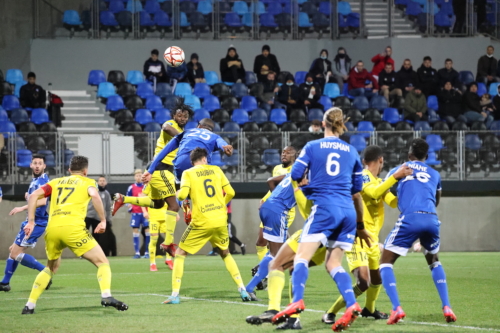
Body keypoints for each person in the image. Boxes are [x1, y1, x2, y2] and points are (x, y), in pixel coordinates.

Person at [272, 107, 372, 331]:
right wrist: (360, 226)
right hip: (347, 212)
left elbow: (296, 175)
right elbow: (356, 192)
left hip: (325, 208)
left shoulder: (312, 146)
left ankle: (297, 301)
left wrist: (306, 188)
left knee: (301, 258)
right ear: (340, 124)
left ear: (323, 124)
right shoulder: (351, 150)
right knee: (333, 263)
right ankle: (351, 304)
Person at [21, 155, 128, 314]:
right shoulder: (88, 182)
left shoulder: (55, 182)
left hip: (52, 230)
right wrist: (103, 220)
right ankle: (106, 295)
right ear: (85, 171)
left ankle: (29, 305)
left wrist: (31, 221)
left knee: (51, 267)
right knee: (102, 262)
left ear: (69, 170)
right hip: (73, 229)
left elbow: (34, 196)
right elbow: (95, 195)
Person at [323, 146, 412, 324]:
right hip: (356, 235)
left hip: (372, 238)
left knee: (377, 279)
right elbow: (373, 193)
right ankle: (330, 312)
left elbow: (392, 202)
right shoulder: (362, 176)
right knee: (363, 281)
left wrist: (409, 190)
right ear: (381, 160)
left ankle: (369, 309)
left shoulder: (380, 181)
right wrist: (395, 177)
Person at [380, 138, 457, 325]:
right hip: (431, 217)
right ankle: (447, 306)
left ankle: (396, 307)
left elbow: (383, 188)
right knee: (434, 260)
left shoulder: (400, 168)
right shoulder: (435, 174)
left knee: (385, 261)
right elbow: (436, 199)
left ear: (409, 155)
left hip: (410, 218)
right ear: (427, 156)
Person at [162, 148, 250, 304]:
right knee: (225, 253)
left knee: (180, 253)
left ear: (192, 161)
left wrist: (179, 193)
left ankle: (175, 294)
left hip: (202, 220)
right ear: (204, 159)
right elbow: (231, 192)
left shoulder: (188, 173)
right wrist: (221, 204)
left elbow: (182, 196)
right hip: (220, 219)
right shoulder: (216, 170)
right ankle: (242, 289)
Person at [112, 99, 192, 256]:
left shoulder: (184, 132)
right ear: (174, 116)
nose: (182, 118)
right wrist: (184, 137)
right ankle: (169, 242)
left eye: (185, 116)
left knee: (157, 203)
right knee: (173, 206)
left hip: (158, 170)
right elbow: (165, 127)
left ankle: (123, 199)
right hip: (161, 169)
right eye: (180, 115)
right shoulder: (171, 125)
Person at [244, 147, 298, 301]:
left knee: (277, 252)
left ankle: (254, 282)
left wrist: (275, 199)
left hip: (269, 207)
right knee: (280, 256)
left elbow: (271, 181)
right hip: (278, 212)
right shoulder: (307, 174)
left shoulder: (294, 172)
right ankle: (263, 287)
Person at [0, 154, 49, 292]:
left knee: (15, 253)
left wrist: (22, 207)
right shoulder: (35, 181)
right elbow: (34, 198)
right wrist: (28, 197)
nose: (38, 165)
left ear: (44, 166)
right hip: (30, 221)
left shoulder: (43, 182)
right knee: (12, 251)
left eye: (40, 163)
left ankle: (45, 273)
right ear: (31, 165)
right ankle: (4, 283)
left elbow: (43, 201)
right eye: (35, 163)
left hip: (37, 222)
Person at [142, 118, 233, 187]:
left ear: (199, 126)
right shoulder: (215, 136)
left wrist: (150, 171)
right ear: (211, 130)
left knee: (180, 186)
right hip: (200, 165)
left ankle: (183, 199)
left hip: (181, 163)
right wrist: (226, 148)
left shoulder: (186, 132)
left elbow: (164, 151)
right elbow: (224, 145)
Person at [141, 184, 173, 271]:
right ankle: (152, 263)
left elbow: (171, 199)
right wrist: (144, 211)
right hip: (154, 217)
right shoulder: (148, 185)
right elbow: (142, 197)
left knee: (169, 239)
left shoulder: (166, 183)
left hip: (166, 216)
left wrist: (175, 212)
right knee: (154, 240)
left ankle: (169, 259)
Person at [85, 175, 116, 257]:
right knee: (85, 234)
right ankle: (84, 252)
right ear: (98, 182)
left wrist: (108, 219)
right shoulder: (93, 191)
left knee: (97, 236)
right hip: (89, 215)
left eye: (103, 181)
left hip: (98, 218)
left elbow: (108, 207)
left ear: (106, 182)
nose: (102, 182)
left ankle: (96, 253)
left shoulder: (106, 194)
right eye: (100, 181)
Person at [125, 170, 149, 259]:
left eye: (140, 175)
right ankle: (137, 253)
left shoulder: (146, 187)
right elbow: (127, 199)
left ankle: (147, 252)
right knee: (135, 231)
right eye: (137, 176)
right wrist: (129, 206)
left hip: (145, 213)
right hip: (136, 213)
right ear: (135, 177)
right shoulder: (131, 187)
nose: (138, 177)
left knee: (148, 231)